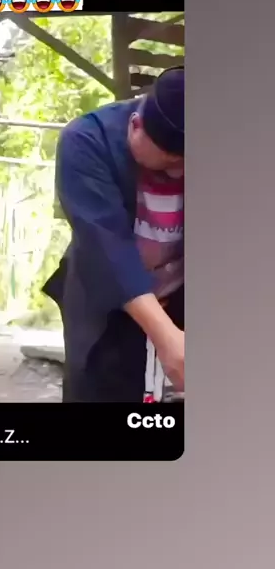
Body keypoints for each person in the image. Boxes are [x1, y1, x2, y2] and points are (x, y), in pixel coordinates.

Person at [43, 66, 184, 403]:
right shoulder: (87, 140)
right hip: (106, 304)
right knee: (99, 390)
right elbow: (107, 247)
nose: (179, 173)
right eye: (168, 162)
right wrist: (167, 338)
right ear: (135, 126)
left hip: (180, 294)